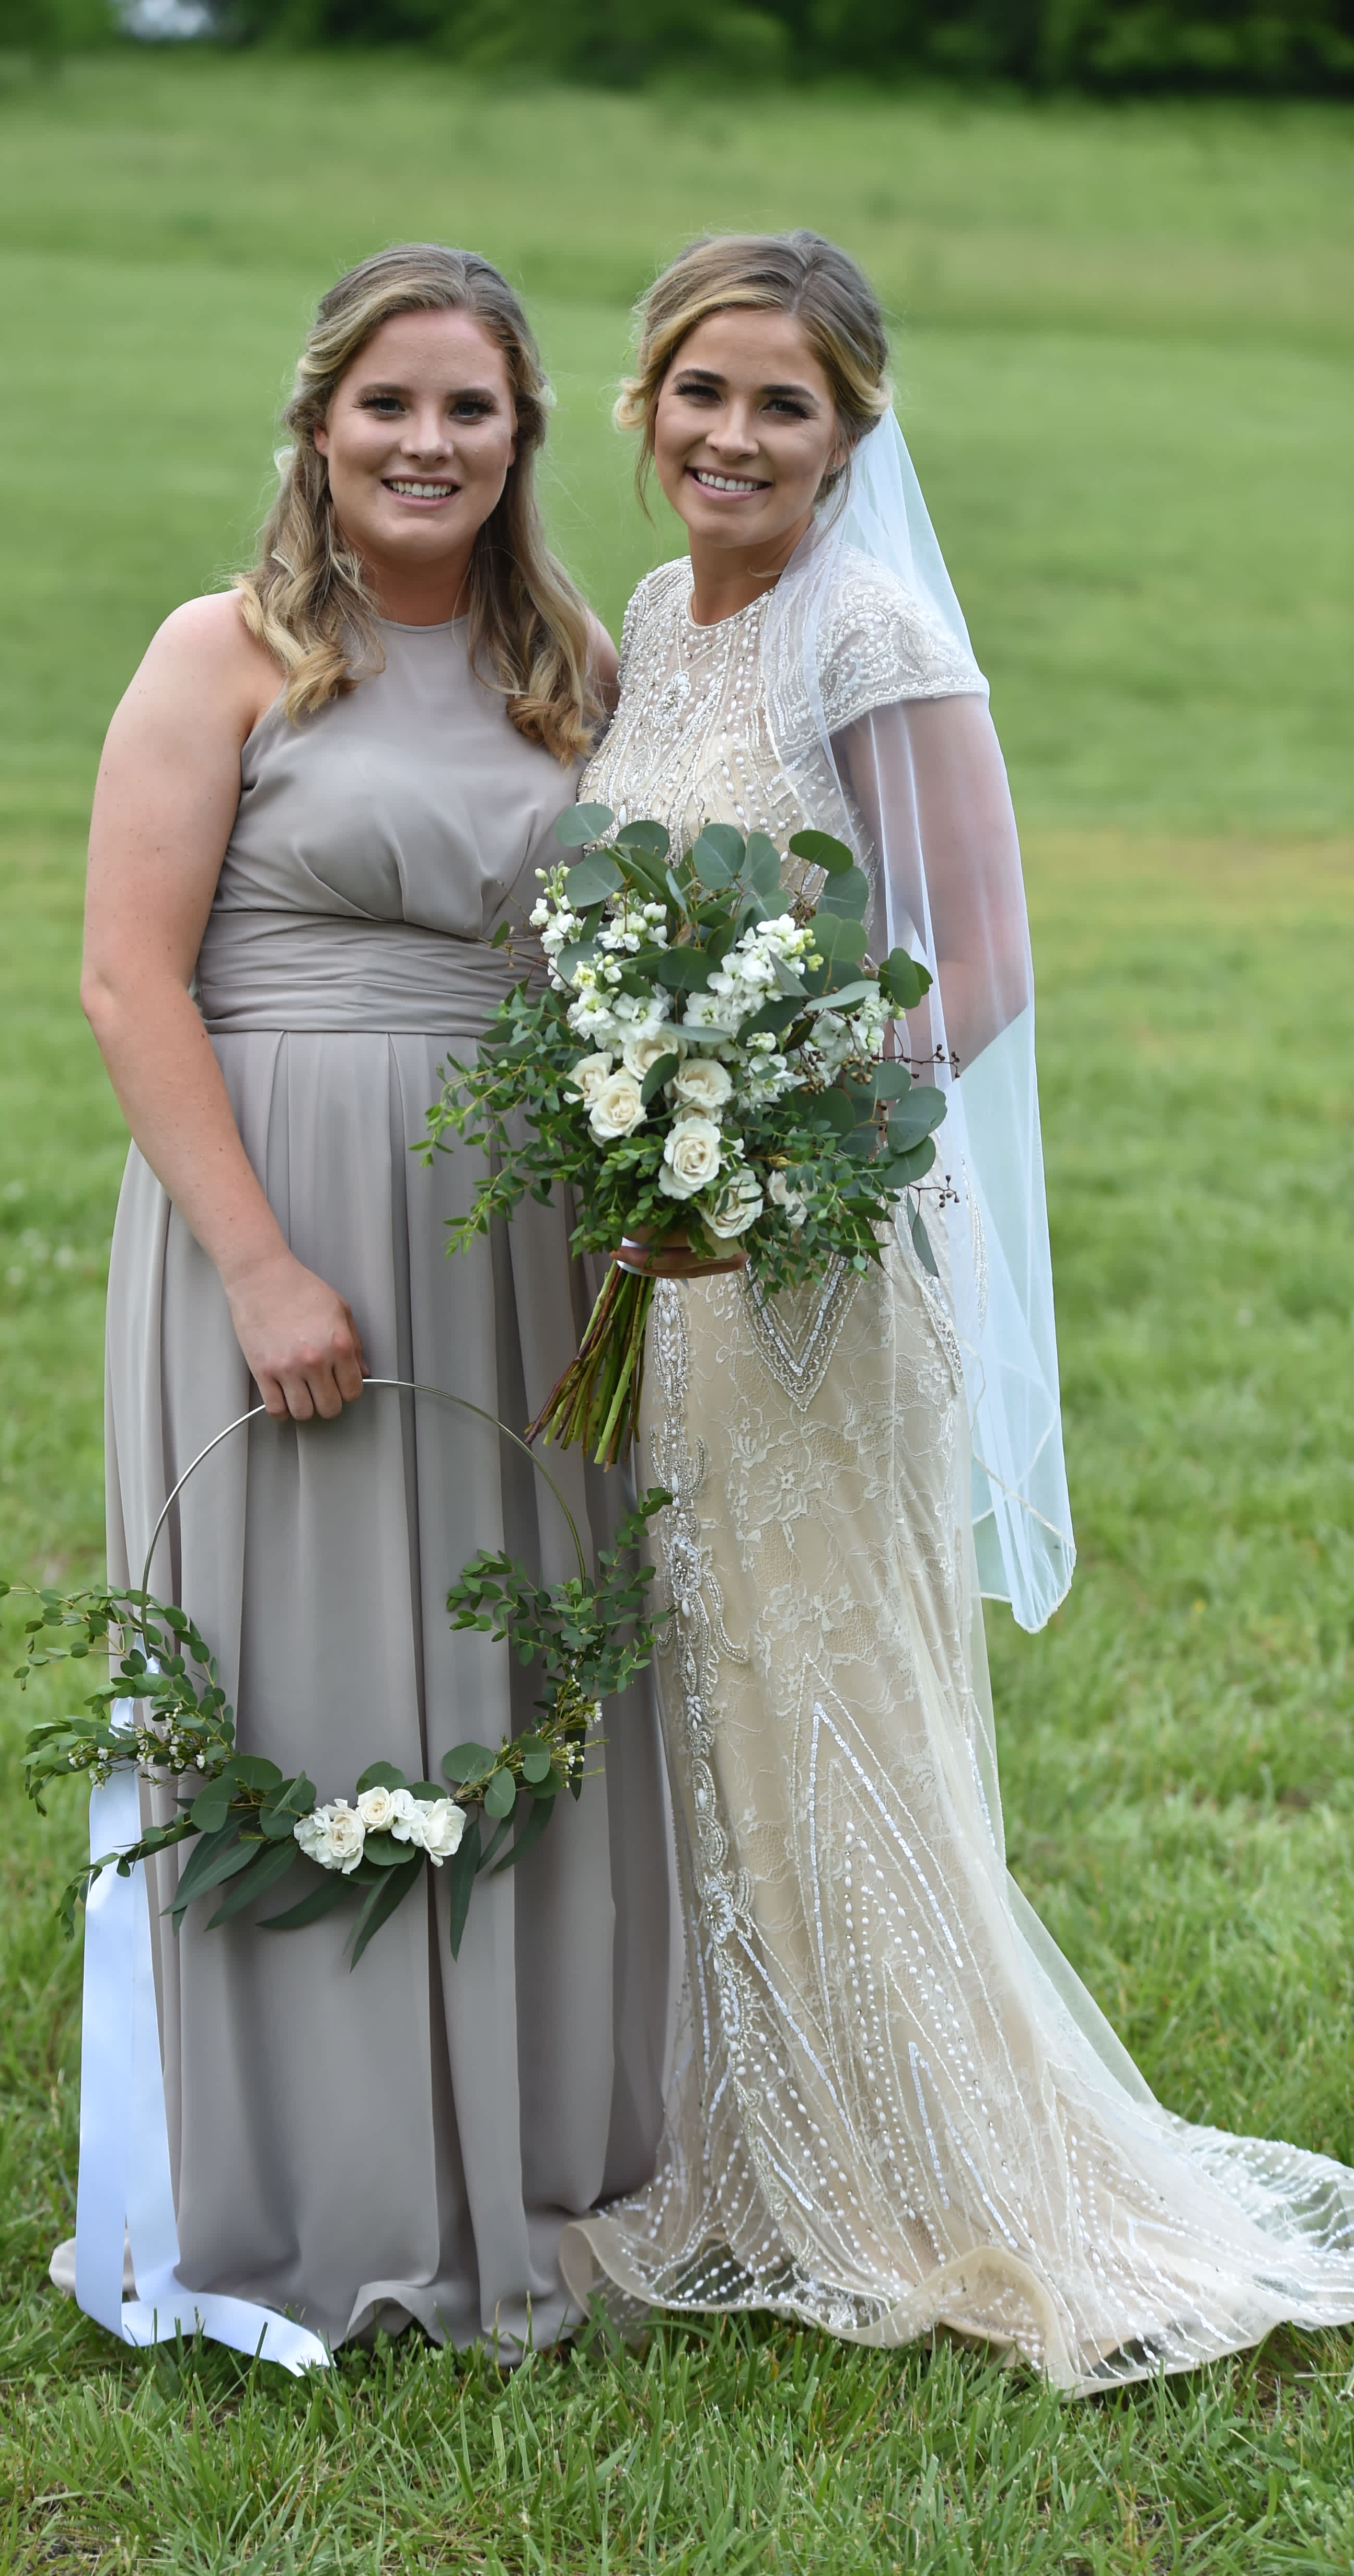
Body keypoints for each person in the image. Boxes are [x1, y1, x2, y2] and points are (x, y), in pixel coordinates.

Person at [560, 231, 1354, 2391]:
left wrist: (754, 1162)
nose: (735, 435)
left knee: (831, 1686)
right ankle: (748, 2141)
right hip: (676, 1257)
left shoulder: (871, 632)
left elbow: (976, 966)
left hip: (813, 1256)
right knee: (707, 1670)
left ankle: (946, 2173)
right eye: (702, 390)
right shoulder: (659, 619)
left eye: (785, 404)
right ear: (644, 402)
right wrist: (654, 1161)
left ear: (851, 433)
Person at [61, 245, 671, 2357]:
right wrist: (256, 1264)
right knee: (306, 1669)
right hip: (281, 1218)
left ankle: (519, 2160)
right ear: (318, 425)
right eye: (386, 404)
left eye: (468, 409)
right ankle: (302, 2192)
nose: (426, 443)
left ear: (520, 437)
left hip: (526, 1243)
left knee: (514, 1667)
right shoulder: (223, 653)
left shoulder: (573, 666)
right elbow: (129, 979)